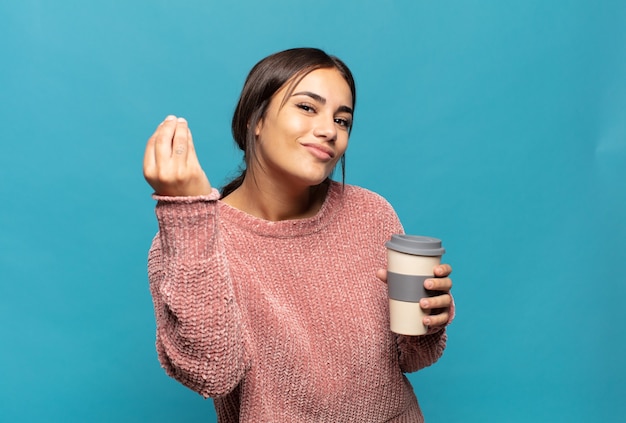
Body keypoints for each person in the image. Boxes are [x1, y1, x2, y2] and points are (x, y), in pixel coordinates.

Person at [143, 47, 454, 422]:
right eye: (308, 107)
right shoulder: (191, 241)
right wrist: (189, 213)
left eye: (343, 120)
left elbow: (412, 357)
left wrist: (427, 322)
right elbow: (213, 372)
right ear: (254, 118)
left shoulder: (371, 214)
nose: (329, 130)